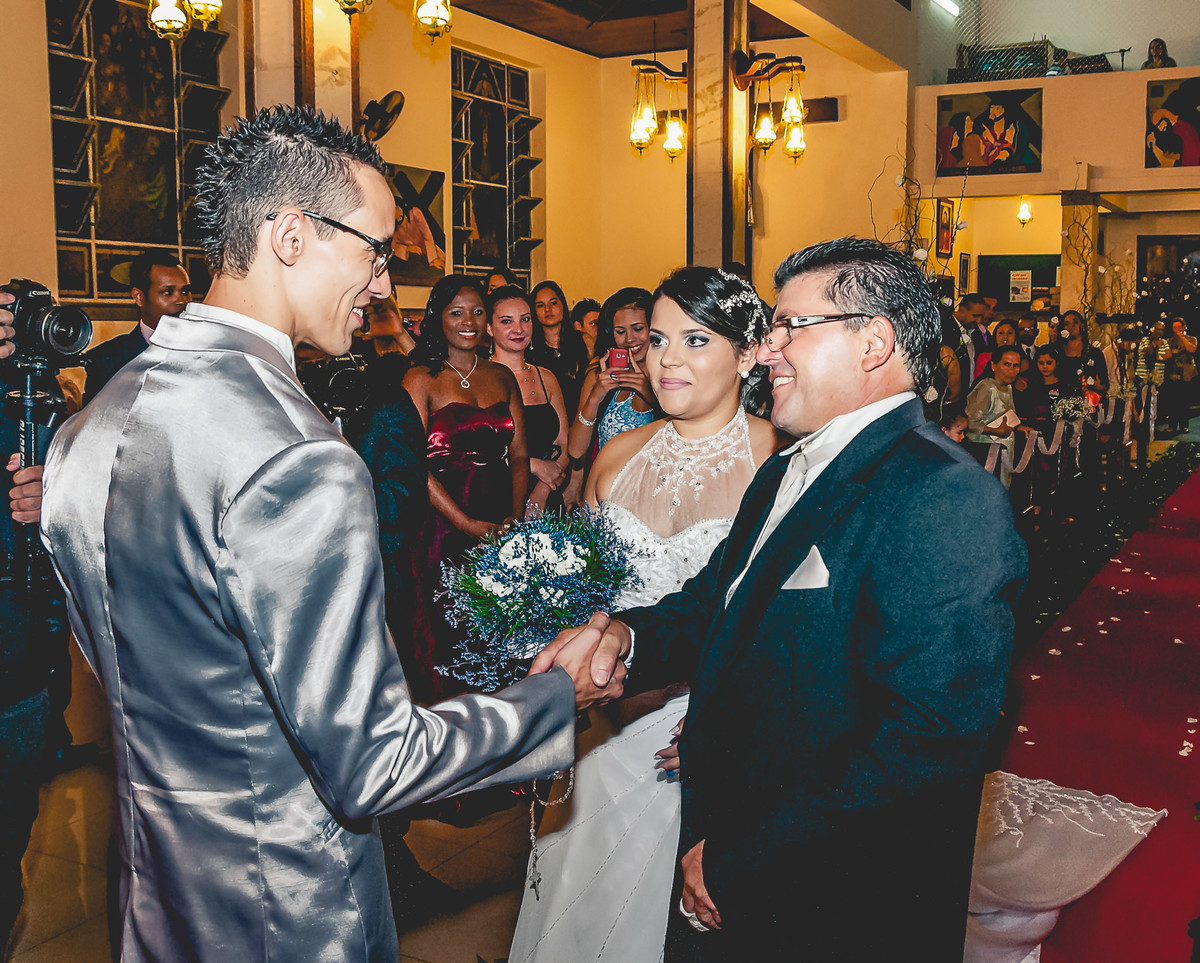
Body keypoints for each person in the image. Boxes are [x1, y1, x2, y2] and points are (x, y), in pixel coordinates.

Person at [36, 105, 618, 963]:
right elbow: (374, 761)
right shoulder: (297, 453)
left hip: (154, 894)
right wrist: (555, 698)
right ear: (292, 234)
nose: (385, 284)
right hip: (286, 905)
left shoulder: (89, 426)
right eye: (376, 251)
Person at [534, 237, 1027, 960]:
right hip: (732, 855)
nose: (768, 351)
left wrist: (741, 858)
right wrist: (625, 640)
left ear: (873, 341)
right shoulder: (786, 470)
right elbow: (716, 606)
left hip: (827, 900)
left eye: (791, 327)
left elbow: (928, 738)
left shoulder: (940, 492)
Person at [510, 267, 784, 962]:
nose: (666, 358)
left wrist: (725, 718)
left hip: (702, 736)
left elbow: (782, 628)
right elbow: (590, 597)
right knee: (579, 913)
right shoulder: (616, 456)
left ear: (748, 352)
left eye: (695, 339)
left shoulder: (780, 463)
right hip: (605, 726)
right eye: (658, 338)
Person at [401, 274, 530, 701]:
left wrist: (512, 518)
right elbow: (412, 464)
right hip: (443, 521)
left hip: (500, 518)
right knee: (448, 630)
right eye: (457, 312)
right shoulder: (420, 379)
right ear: (439, 319)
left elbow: (521, 457)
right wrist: (465, 522)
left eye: (478, 312)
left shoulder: (501, 376)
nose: (469, 321)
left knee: (500, 624)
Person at [562, 287, 658, 508]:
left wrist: (652, 395)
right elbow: (575, 450)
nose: (630, 339)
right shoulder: (599, 376)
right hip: (607, 499)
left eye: (638, 328)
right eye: (620, 331)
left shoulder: (669, 375)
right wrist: (596, 396)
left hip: (654, 500)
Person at [487, 285, 569, 516]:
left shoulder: (547, 378)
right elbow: (477, 450)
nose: (519, 329)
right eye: (506, 321)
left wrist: (542, 491)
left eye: (525, 319)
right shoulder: (479, 379)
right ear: (489, 328)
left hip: (548, 498)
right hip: (497, 498)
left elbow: (564, 443)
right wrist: (534, 465)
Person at [80, 251, 191, 406]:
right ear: (139, 297)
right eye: (167, 292)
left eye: (185, 291)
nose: (181, 300)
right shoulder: (105, 360)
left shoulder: (206, 351)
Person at [966, 346, 1026, 488]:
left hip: (1003, 447)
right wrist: (994, 431)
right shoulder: (987, 387)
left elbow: (1007, 414)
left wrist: (1019, 426)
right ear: (994, 365)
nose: (1011, 370)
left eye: (1015, 365)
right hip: (984, 451)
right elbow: (970, 422)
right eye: (1006, 364)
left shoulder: (1008, 386)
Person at [531, 280, 588, 414]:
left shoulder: (583, 342)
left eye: (553, 303)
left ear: (563, 304)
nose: (548, 309)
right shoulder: (529, 349)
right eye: (540, 305)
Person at [1053, 309, 1109, 398]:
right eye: (1067, 324)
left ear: (1082, 325)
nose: (1071, 327)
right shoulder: (1056, 351)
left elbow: (1103, 385)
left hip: (1087, 401)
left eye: (1075, 322)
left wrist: (1091, 385)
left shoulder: (1094, 353)